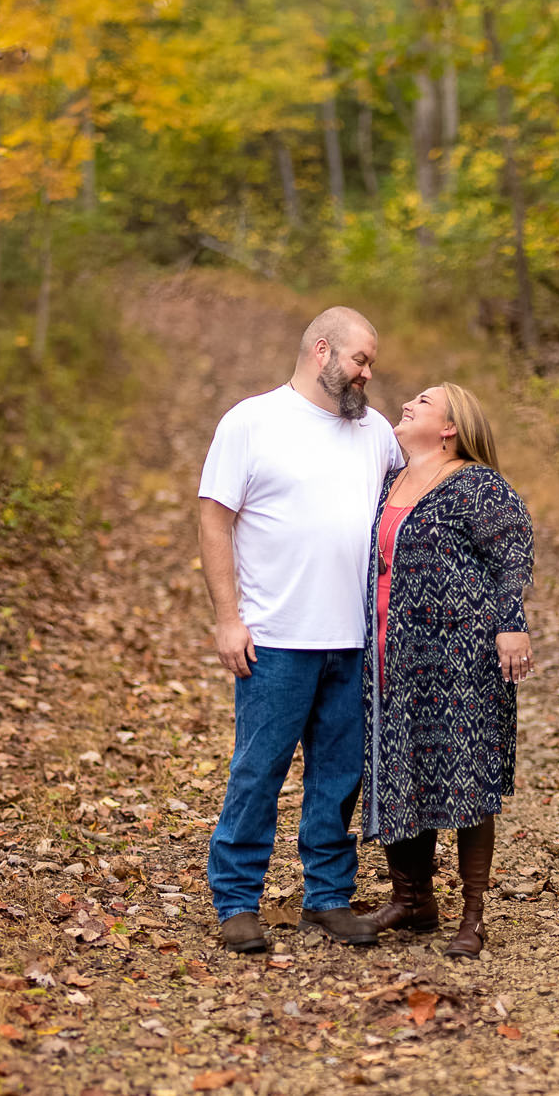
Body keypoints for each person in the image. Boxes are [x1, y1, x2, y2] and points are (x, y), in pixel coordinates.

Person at [194, 306, 402, 954]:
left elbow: (407, 501)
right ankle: (236, 902)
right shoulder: (251, 423)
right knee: (259, 771)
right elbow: (212, 520)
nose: (368, 373)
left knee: (339, 775)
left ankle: (328, 898)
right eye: (360, 360)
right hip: (277, 637)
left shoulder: (374, 431)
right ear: (321, 351)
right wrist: (229, 619)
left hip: (355, 638)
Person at [352, 381, 534, 958]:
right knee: (399, 769)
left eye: (423, 403)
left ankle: (473, 916)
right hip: (390, 656)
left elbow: (513, 552)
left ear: (451, 426)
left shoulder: (475, 485)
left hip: (461, 658)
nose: (407, 404)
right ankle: (412, 900)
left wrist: (511, 622)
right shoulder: (388, 483)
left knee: (467, 776)